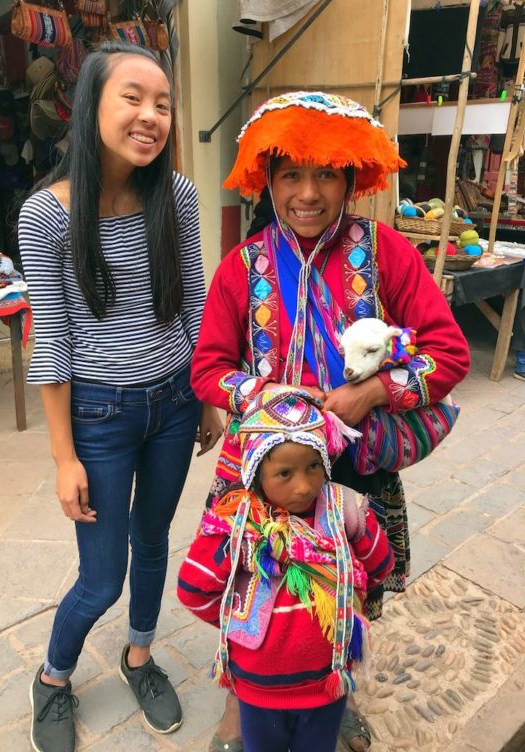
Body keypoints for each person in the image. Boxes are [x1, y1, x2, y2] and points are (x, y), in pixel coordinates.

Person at [190, 91, 471, 752]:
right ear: (267, 180)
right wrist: (270, 391)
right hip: (265, 473)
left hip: (353, 468)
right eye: (292, 175)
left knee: (351, 583)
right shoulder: (243, 267)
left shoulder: (387, 253)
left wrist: (372, 392)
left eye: (326, 175)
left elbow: (450, 352)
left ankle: (334, 692)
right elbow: (207, 368)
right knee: (253, 588)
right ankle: (242, 702)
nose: (308, 193)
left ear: (351, 179)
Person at [18, 43, 222, 752]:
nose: (151, 116)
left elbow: (194, 301)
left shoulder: (178, 195)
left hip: (172, 404)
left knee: (154, 541)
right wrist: (62, 456)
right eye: (132, 97)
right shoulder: (44, 215)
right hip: (98, 418)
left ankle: (140, 656)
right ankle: (51, 679)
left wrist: (208, 395)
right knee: (100, 576)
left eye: (163, 103)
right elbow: (51, 342)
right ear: (91, 108)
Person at [178, 386, 395, 752]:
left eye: (313, 466)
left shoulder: (345, 509)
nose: (304, 485)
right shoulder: (235, 525)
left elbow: (380, 564)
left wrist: (344, 593)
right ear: (256, 472)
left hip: (328, 682)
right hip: (259, 687)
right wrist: (239, 620)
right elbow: (193, 589)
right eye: (284, 473)